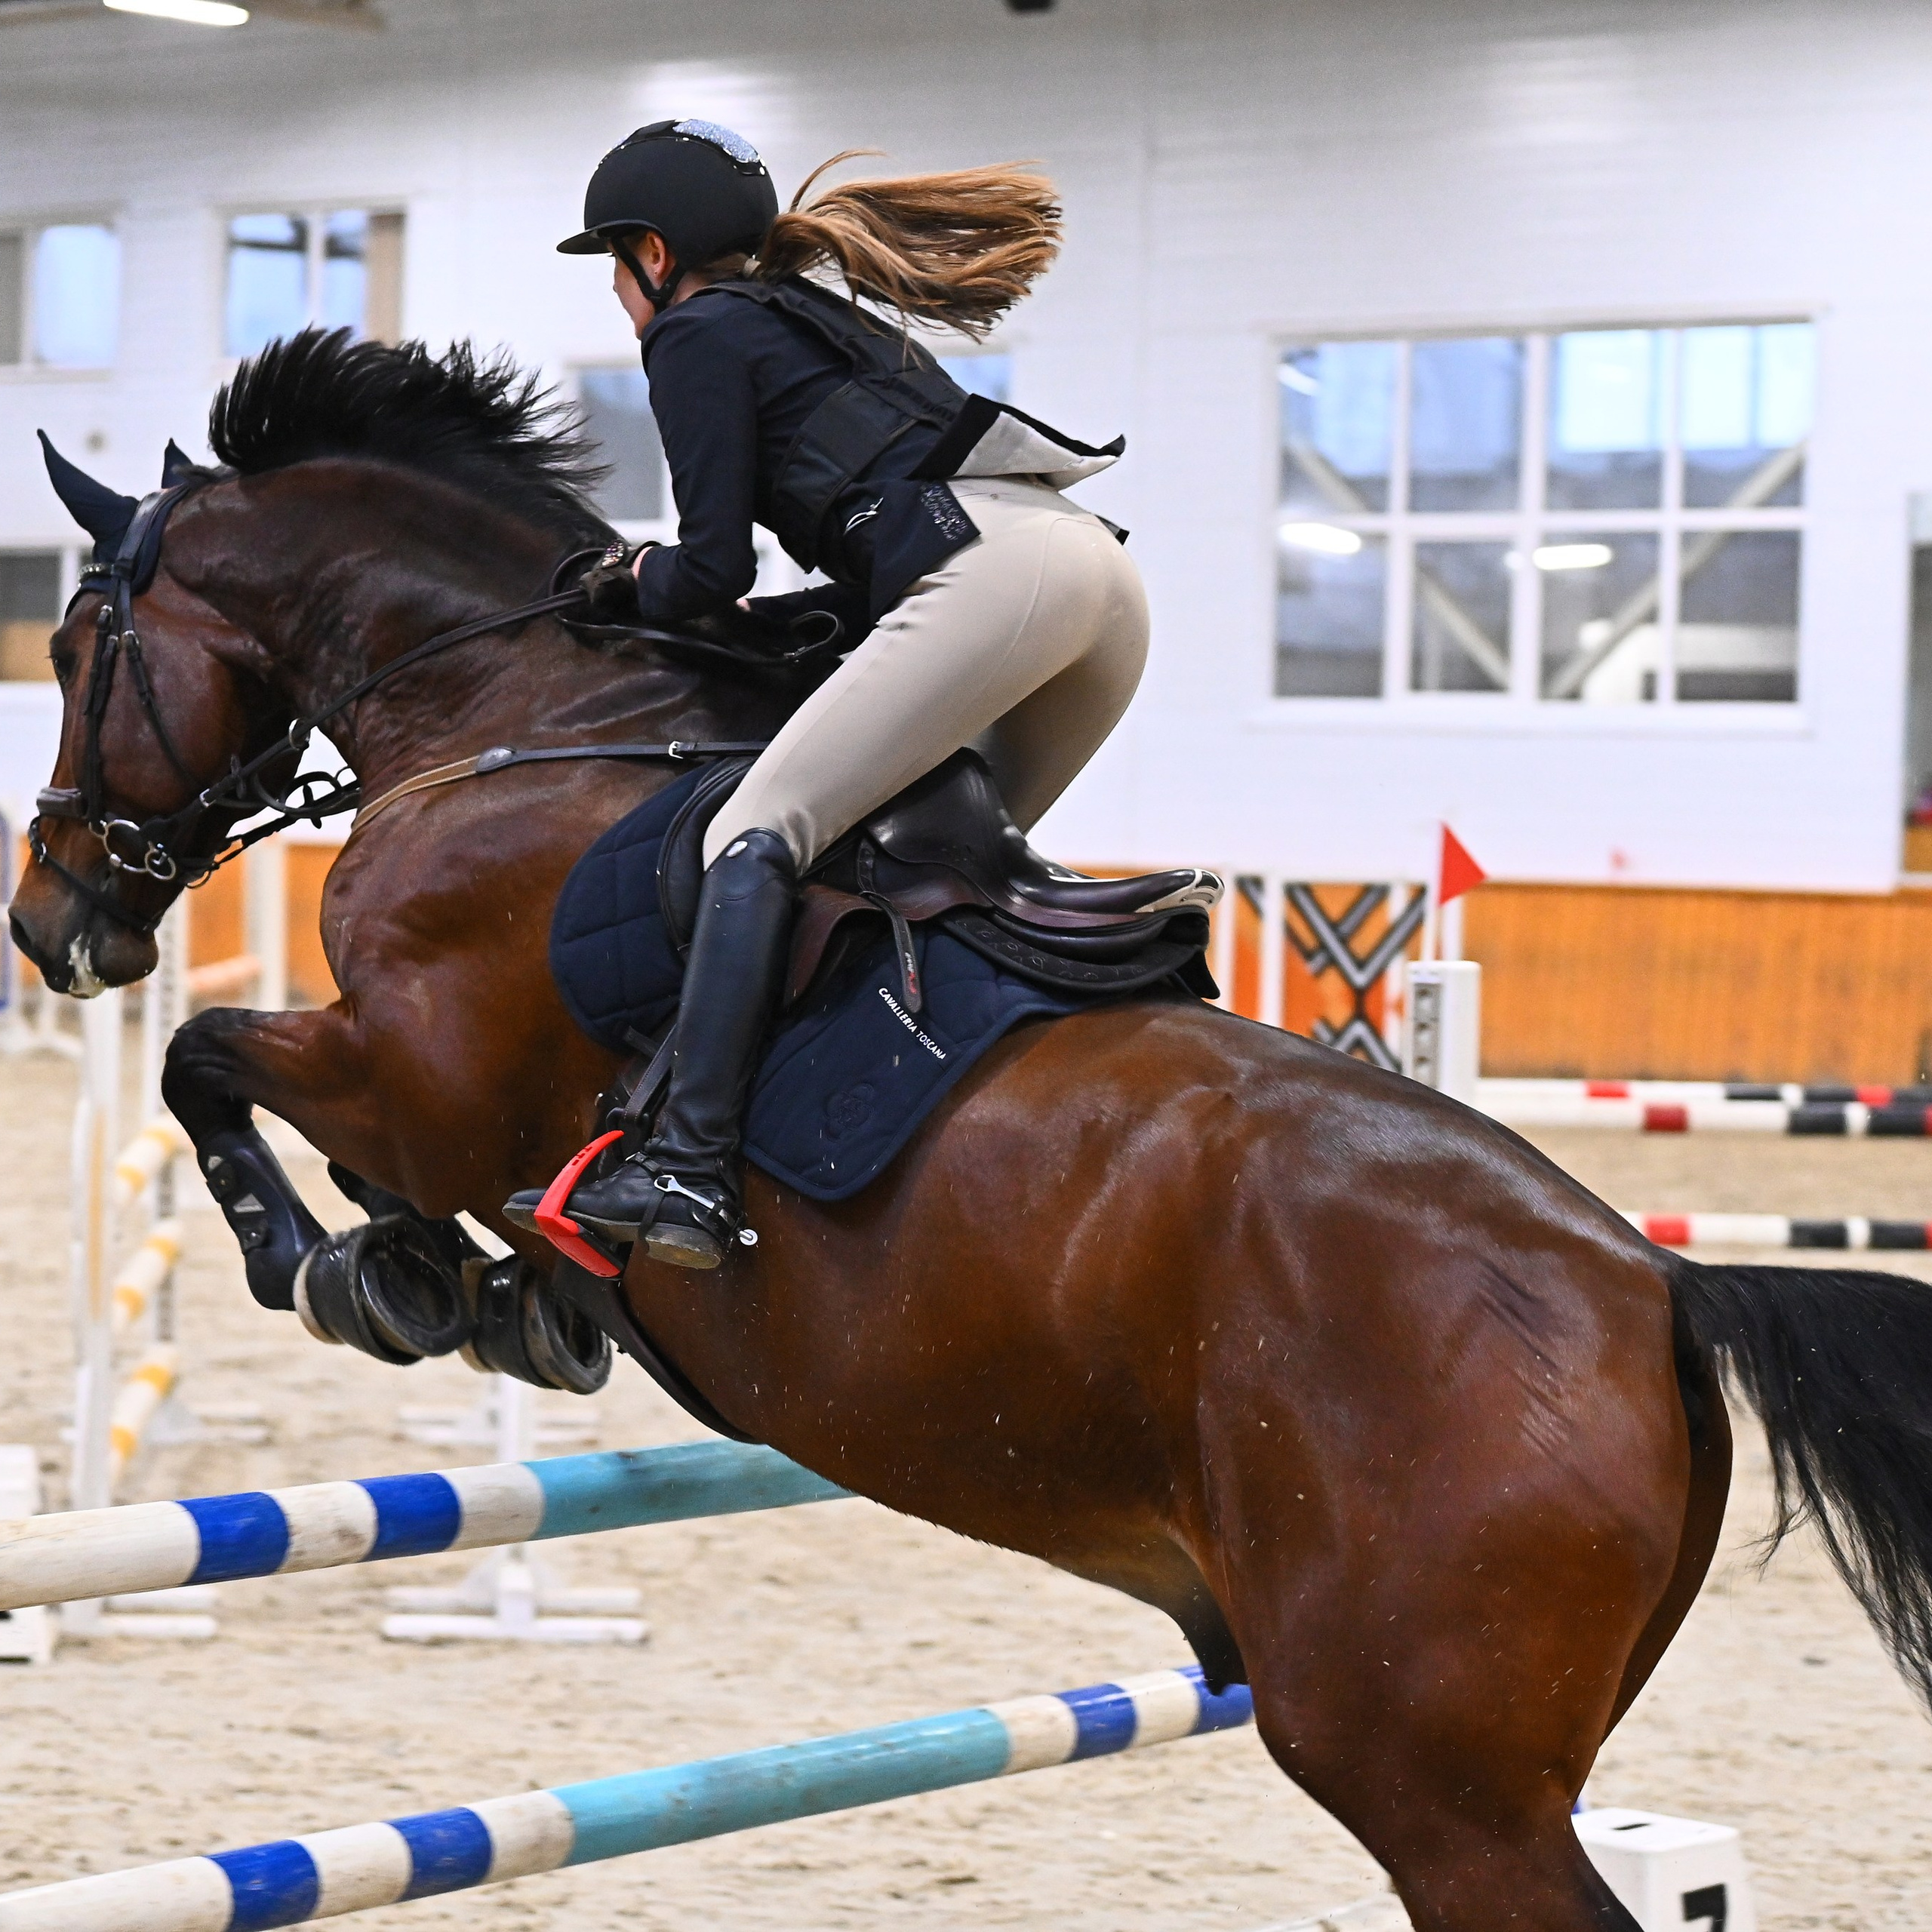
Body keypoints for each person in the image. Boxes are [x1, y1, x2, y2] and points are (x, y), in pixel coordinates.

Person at [554, 118, 1149, 1269]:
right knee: (923, 868)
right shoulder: (810, 315)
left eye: (615, 267)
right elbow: (862, 560)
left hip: (993, 576)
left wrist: (627, 578)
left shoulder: (694, 333)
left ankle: (689, 1167)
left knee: (755, 833)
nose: (619, 295)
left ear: (654, 256)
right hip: (1100, 587)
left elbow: (710, 569)